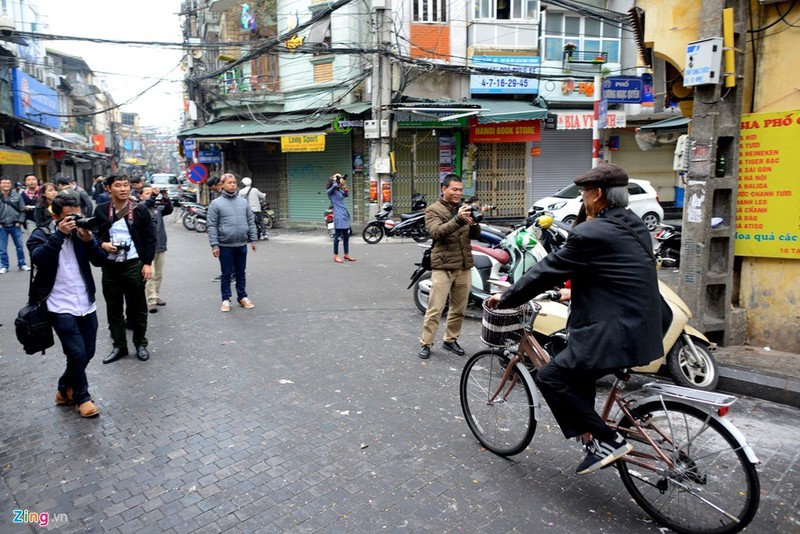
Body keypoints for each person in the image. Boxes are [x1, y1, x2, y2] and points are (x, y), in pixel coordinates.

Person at [486, 164, 663, 475]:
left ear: (597, 194)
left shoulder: (592, 232)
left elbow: (547, 271)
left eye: (583, 194)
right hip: (644, 330)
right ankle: (592, 435)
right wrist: (570, 295)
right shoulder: (636, 227)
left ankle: (608, 440)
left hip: (613, 334)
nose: (583, 200)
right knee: (577, 373)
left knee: (550, 377)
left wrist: (508, 297)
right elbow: (612, 276)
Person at [27, 195, 106, 418]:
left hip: (85, 302)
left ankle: (64, 388)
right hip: (58, 305)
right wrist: (59, 235)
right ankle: (82, 397)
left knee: (87, 352)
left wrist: (89, 239)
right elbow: (39, 259)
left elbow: (100, 260)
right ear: (55, 217)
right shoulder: (40, 235)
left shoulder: (81, 234)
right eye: (69, 218)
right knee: (77, 352)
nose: (74, 222)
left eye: (77, 216)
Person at [93, 174, 156, 364]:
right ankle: (119, 345)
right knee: (114, 308)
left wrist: (147, 263)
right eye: (118, 186)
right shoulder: (102, 210)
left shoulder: (140, 210)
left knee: (138, 308)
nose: (123, 189)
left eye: (126, 185)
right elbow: (94, 235)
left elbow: (150, 238)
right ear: (108, 188)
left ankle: (140, 343)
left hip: (133, 264)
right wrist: (103, 245)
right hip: (110, 266)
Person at [417, 174, 481, 359]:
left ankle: (450, 340)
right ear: (443, 189)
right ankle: (426, 343)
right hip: (443, 266)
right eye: (454, 189)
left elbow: (475, 235)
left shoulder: (463, 208)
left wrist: (474, 222)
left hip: (463, 265)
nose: (458, 193)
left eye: (460, 190)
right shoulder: (433, 210)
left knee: (459, 308)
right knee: (435, 308)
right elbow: (437, 233)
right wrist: (458, 219)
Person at [207, 172, 257, 312]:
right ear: (222, 185)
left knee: (241, 273)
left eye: (234, 182)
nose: (232, 185)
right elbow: (211, 225)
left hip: (241, 244)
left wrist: (253, 239)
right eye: (229, 183)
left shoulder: (243, 202)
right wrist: (214, 245)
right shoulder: (216, 204)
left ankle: (242, 297)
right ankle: (226, 299)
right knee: (226, 274)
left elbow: (250, 222)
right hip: (225, 245)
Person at [140, 185, 173, 313]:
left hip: (160, 245)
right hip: (147, 247)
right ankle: (151, 300)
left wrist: (165, 197)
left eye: (151, 193)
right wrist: (153, 196)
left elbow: (169, 209)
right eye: (147, 193)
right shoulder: (140, 208)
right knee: (150, 274)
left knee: (159, 274)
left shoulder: (157, 208)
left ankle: (156, 295)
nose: (150, 195)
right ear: (141, 196)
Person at [0, 175, 31, 273]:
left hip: (15, 225)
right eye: (4, 183)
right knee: (2, 248)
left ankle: (22, 264)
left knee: (19, 246)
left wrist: (20, 221)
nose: (6, 185)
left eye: (8, 183)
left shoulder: (17, 196)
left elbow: (22, 210)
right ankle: (4, 266)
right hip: (2, 226)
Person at [326, 173, 356, 263]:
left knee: (346, 236)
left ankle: (346, 254)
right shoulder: (331, 191)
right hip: (338, 216)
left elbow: (346, 194)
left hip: (344, 215)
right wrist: (337, 181)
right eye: (336, 177)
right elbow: (331, 189)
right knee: (338, 237)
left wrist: (344, 184)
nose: (339, 179)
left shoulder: (339, 191)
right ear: (333, 181)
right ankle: (336, 255)